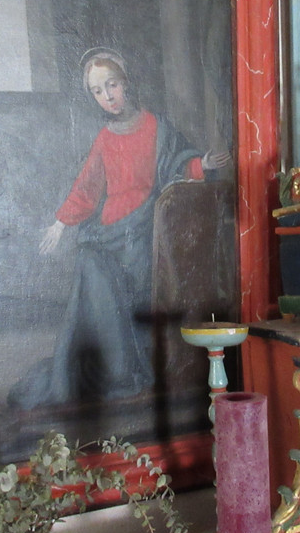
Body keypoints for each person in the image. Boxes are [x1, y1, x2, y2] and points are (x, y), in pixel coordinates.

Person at [39, 49, 231, 401]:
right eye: (98, 91)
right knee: (89, 264)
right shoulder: (104, 137)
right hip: (108, 234)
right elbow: (87, 188)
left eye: (112, 85)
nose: (108, 96)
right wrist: (60, 224)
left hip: (146, 229)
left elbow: (176, 165)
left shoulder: (157, 127)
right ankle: (110, 369)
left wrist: (201, 164)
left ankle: (134, 368)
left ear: (126, 83)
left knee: (139, 284)